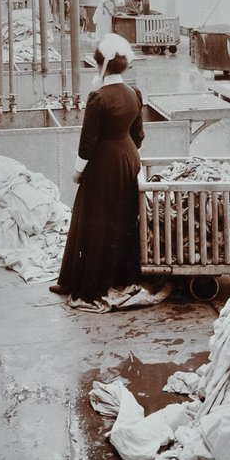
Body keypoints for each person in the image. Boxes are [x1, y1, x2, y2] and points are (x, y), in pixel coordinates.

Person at [51, 33, 145, 303]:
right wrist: (128, 156)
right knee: (122, 218)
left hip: (103, 163)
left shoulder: (99, 98)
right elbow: (138, 136)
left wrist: (78, 170)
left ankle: (82, 280)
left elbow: (88, 142)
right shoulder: (134, 93)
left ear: (101, 66)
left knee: (91, 218)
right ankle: (120, 276)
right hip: (128, 159)